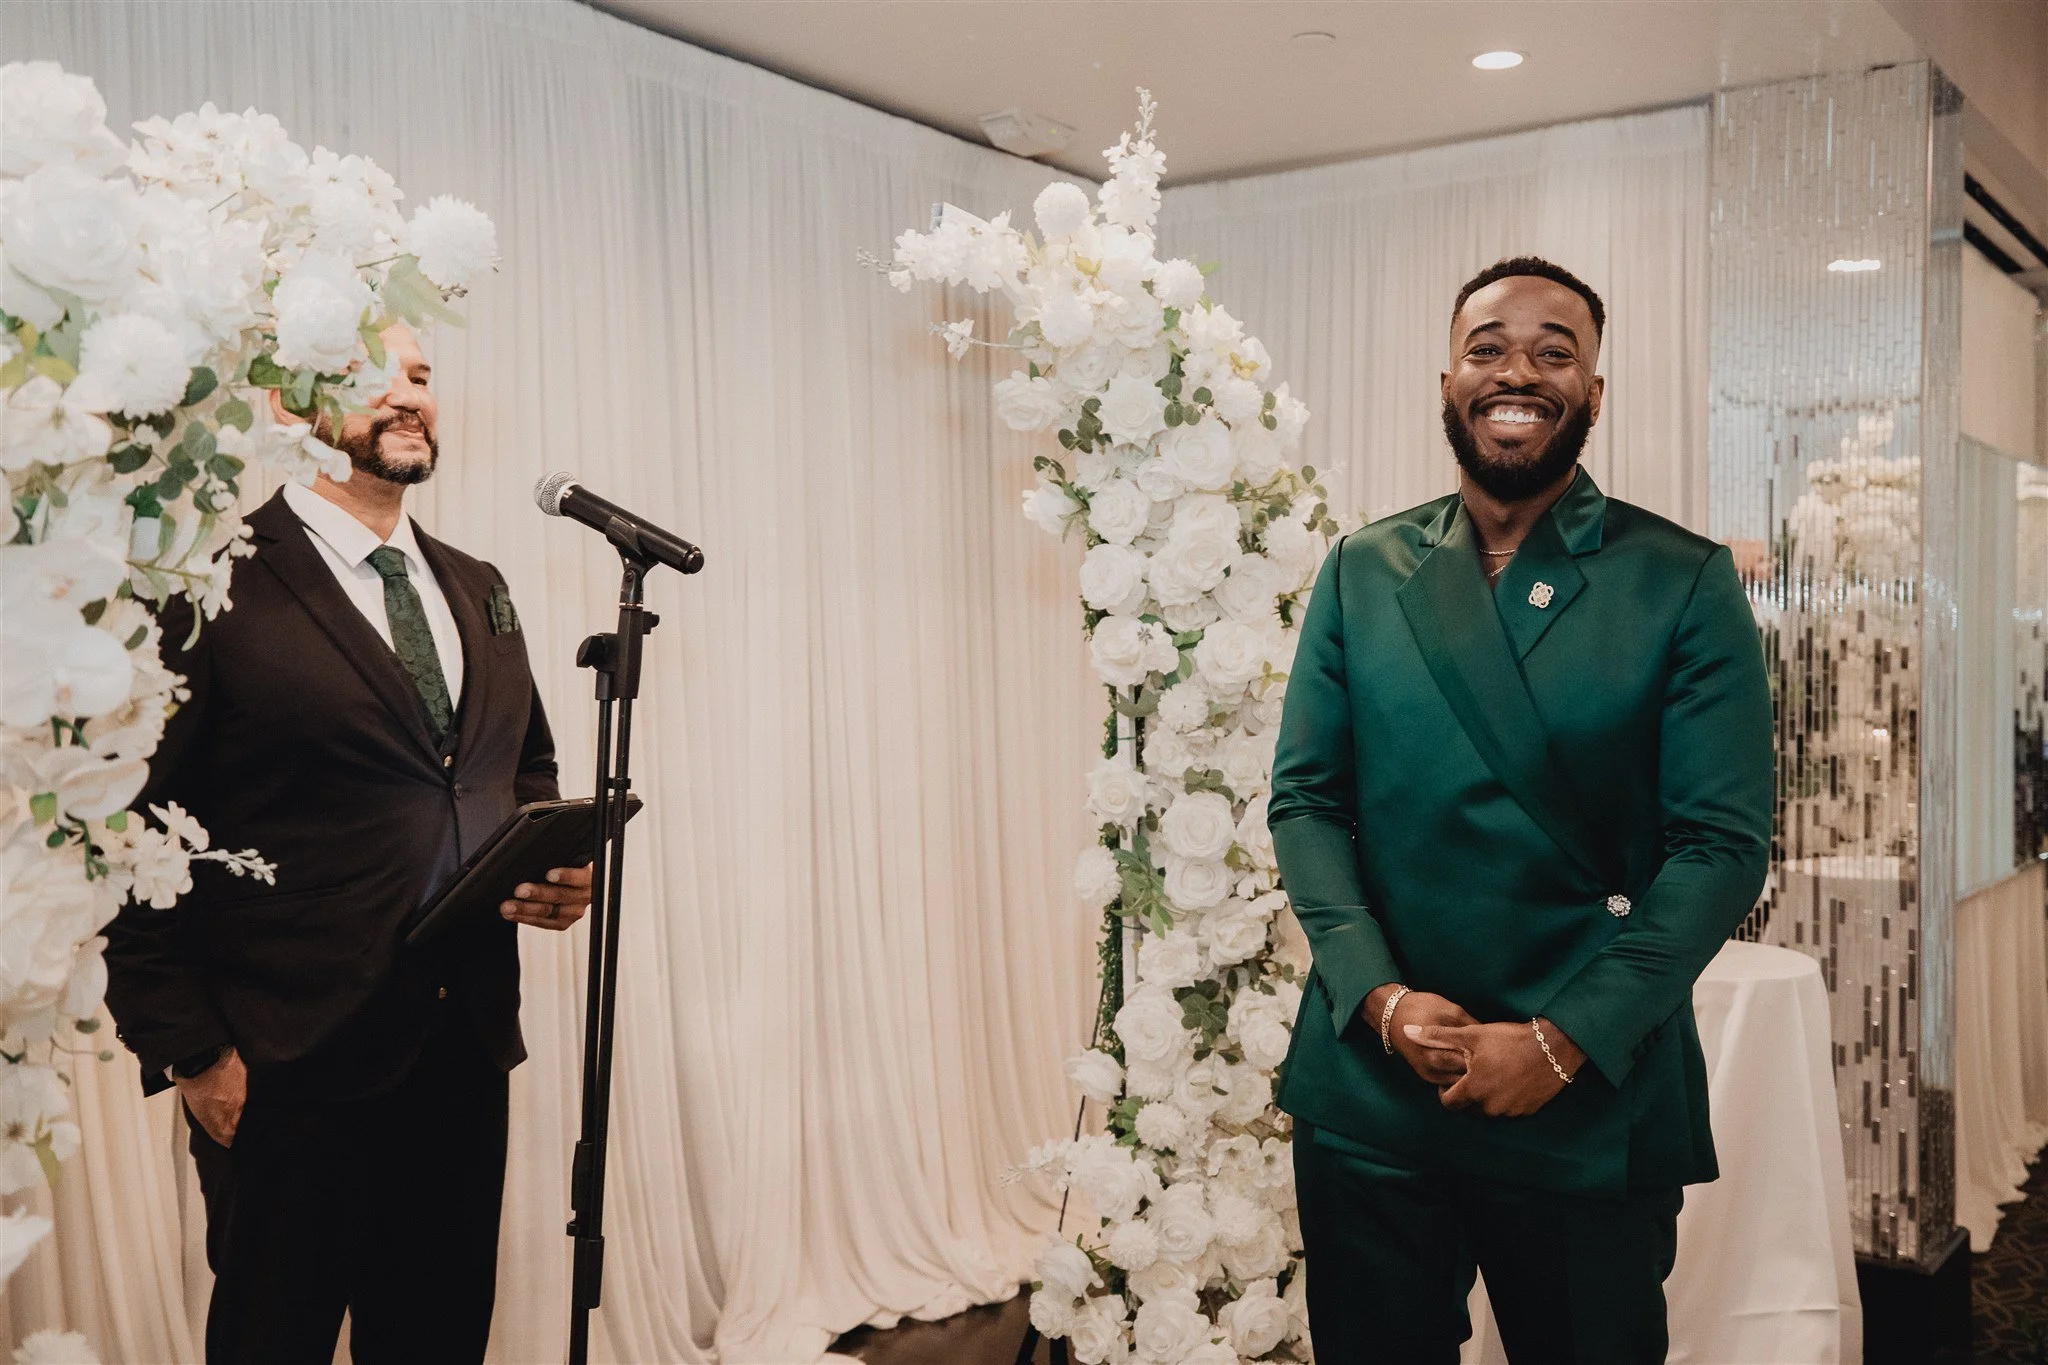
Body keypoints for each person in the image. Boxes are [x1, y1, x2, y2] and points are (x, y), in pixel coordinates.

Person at [1269, 257, 1774, 1363]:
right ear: (1444, 381)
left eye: (1555, 352)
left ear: (1592, 393)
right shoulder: (1361, 568)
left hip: (1582, 1080)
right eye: (1489, 347)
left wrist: (1560, 1042)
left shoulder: (1677, 580)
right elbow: (1306, 802)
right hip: (1376, 1077)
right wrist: (1379, 998)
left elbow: (1721, 847)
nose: (1518, 371)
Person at [103, 322, 591, 1365]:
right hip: (281, 1063)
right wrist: (191, 1051)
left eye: (420, 374)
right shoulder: (212, 584)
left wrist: (547, 868)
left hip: (463, 1050)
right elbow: (134, 829)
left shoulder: (477, 582)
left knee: (438, 1341)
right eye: (373, 375)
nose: (407, 393)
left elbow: (522, 768)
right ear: (288, 406)